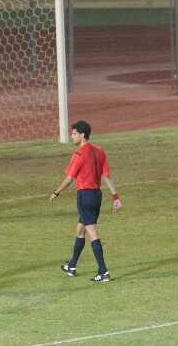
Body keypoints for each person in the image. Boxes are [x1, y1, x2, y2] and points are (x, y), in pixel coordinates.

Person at [50, 120, 123, 282]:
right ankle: (72, 265)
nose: (72, 136)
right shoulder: (100, 151)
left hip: (85, 196)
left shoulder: (79, 154)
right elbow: (106, 176)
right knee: (80, 230)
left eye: (74, 133)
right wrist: (115, 196)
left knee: (92, 232)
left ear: (82, 135)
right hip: (97, 196)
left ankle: (103, 271)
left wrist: (56, 192)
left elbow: (69, 179)